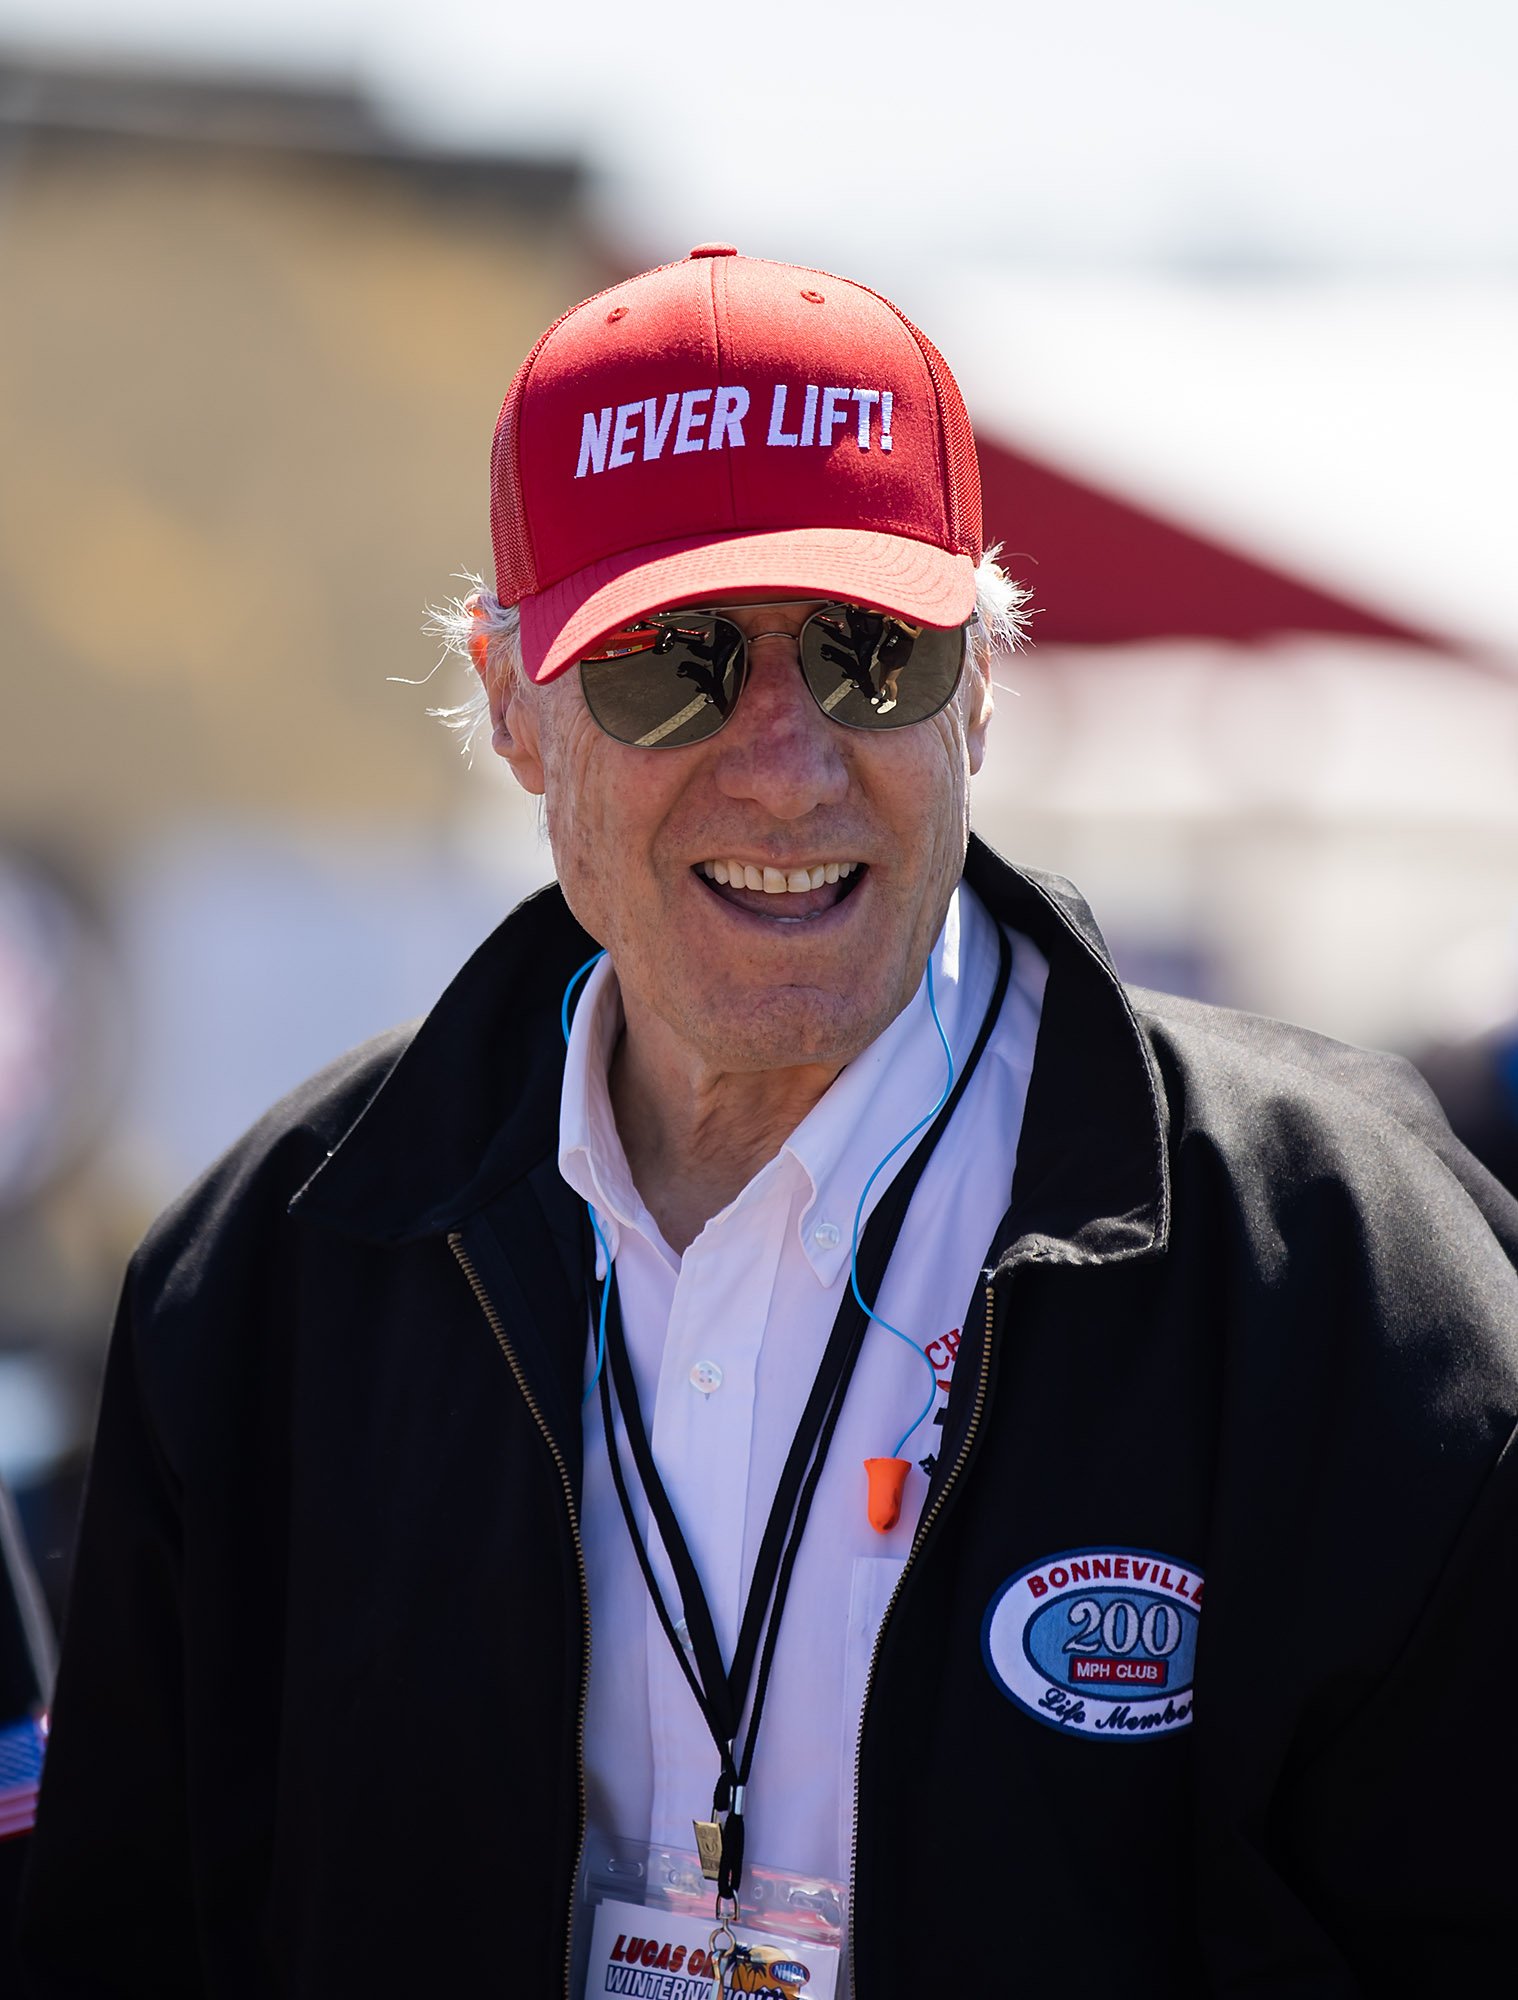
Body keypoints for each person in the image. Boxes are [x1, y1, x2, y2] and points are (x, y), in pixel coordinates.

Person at [19, 246, 1518, 1998]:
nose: (789, 765)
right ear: (510, 705)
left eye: (870, 655)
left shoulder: (1341, 1260)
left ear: (981, 686)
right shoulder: (274, 1273)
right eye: (674, 665)